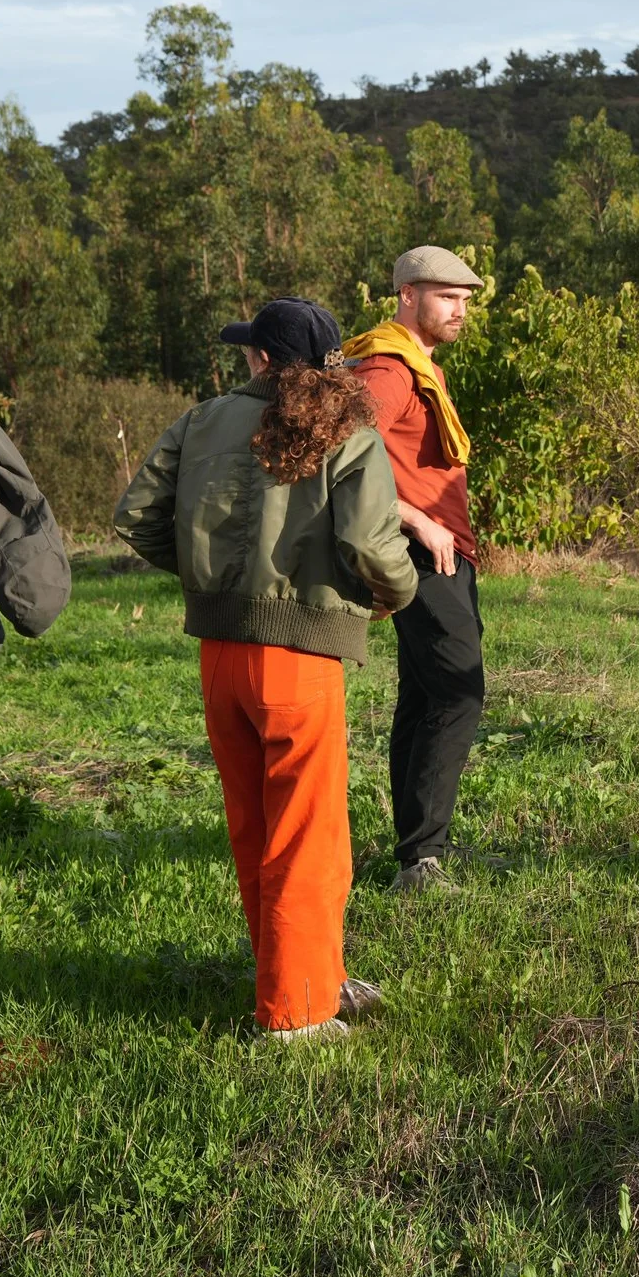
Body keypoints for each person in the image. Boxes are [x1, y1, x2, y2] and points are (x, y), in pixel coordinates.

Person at [114, 298, 420, 1043]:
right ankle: (296, 1012)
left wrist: (204, 575)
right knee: (310, 838)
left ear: (257, 357)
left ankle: (306, 975)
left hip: (219, 656)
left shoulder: (199, 421)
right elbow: (373, 546)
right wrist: (394, 597)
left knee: (256, 830)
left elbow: (138, 517)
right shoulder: (348, 428)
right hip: (302, 659)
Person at [343, 247, 486, 894]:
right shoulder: (390, 369)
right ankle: (422, 858)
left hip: (443, 549)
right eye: (448, 296)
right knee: (459, 690)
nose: (461, 309)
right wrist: (413, 518)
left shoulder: (417, 364)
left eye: (466, 299)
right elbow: (339, 449)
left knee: (425, 695)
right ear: (407, 294)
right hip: (423, 551)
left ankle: (413, 853)